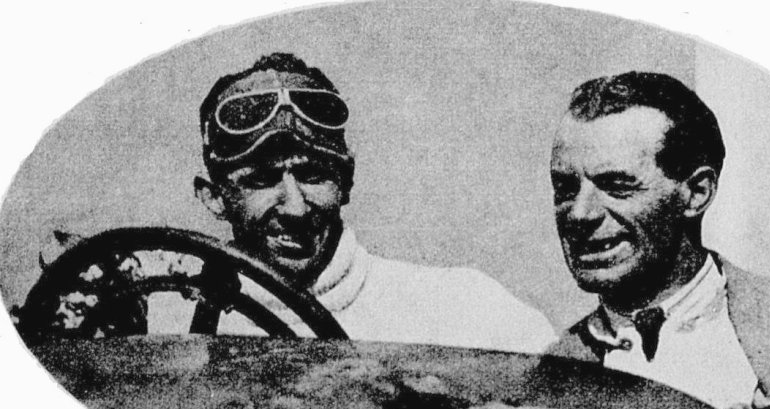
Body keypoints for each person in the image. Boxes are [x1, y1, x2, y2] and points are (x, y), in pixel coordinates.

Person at [545, 71, 770, 409]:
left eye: (617, 186)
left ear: (697, 194)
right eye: (564, 188)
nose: (579, 214)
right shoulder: (538, 383)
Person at [185, 52, 554, 352]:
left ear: (347, 181)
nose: (295, 208)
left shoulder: (462, 309)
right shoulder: (167, 317)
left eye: (313, 175)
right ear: (214, 197)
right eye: (261, 180)